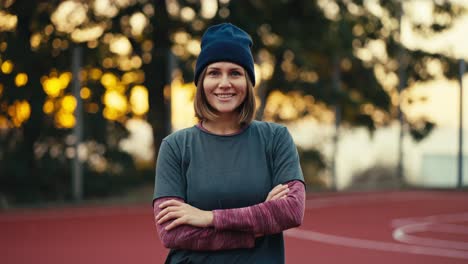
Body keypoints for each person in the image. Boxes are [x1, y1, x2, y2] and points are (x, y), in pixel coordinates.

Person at [152, 23, 305, 264]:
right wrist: (256, 228)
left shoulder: (276, 138)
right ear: (201, 82)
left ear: (248, 82)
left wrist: (209, 218)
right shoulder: (175, 146)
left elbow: (291, 210)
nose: (224, 83)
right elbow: (172, 232)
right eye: (214, 73)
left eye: (235, 73)